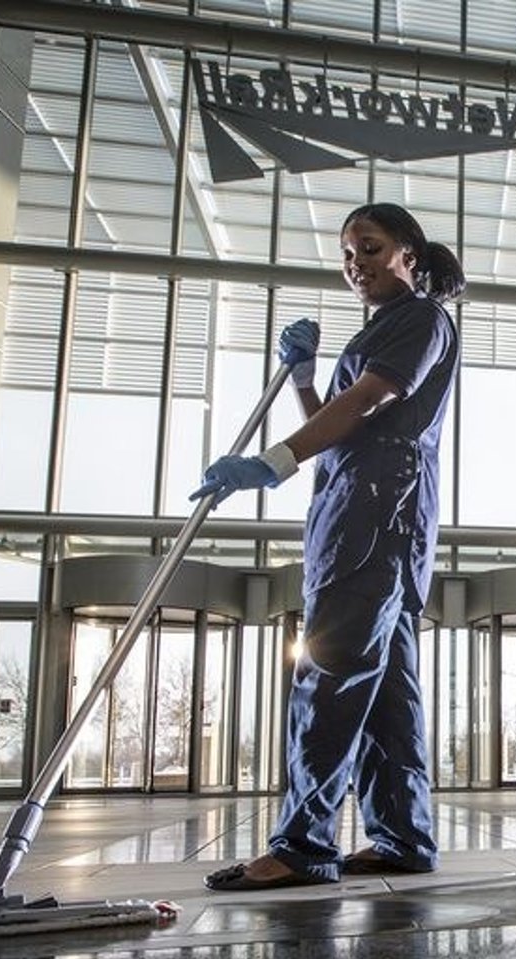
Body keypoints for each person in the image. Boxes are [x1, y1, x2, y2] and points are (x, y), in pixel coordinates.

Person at [191, 203, 464, 889]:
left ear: (408, 251)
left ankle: (303, 845)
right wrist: (309, 377)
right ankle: (403, 837)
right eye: (347, 255)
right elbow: (337, 424)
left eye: (369, 248)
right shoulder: (380, 330)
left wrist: (274, 462)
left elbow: (368, 406)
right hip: (362, 520)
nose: (356, 264)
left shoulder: (421, 319)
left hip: (375, 523)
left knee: (331, 676)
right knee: (389, 695)